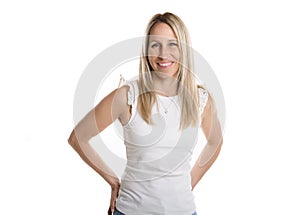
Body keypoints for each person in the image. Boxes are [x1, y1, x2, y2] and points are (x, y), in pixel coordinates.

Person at [68, 12, 223, 215]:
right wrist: (113, 181)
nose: (163, 54)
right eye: (155, 45)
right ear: (146, 50)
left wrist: (188, 183)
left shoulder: (199, 99)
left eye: (172, 44)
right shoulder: (127, 96)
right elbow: (78, 137)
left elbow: (215, 143)